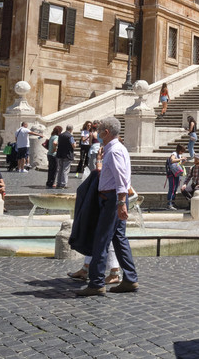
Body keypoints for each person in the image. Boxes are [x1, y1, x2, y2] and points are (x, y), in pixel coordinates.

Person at [76, 116, 139, 296]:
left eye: (98, 130)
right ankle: (130, 279)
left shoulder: (115, 151)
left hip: (112, 199)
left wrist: (120, 203)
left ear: (106, 132)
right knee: (119, 239)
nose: (95, 133)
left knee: (101, 240)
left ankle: (96, 283)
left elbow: (121, 180)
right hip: (114, 198)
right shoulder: (113, 149)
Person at [165, 144, 185, 210]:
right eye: (182, 151)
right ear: (179, 150)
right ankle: (169, 204)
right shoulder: (174, 153)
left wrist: (183, 161)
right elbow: (172, 160)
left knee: (175, 188)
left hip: (176, 173)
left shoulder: (179, 155)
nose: (182, 152)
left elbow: (179, 164)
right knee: (172, 188)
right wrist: (181, 159)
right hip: (172, 173)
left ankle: (173, 202)